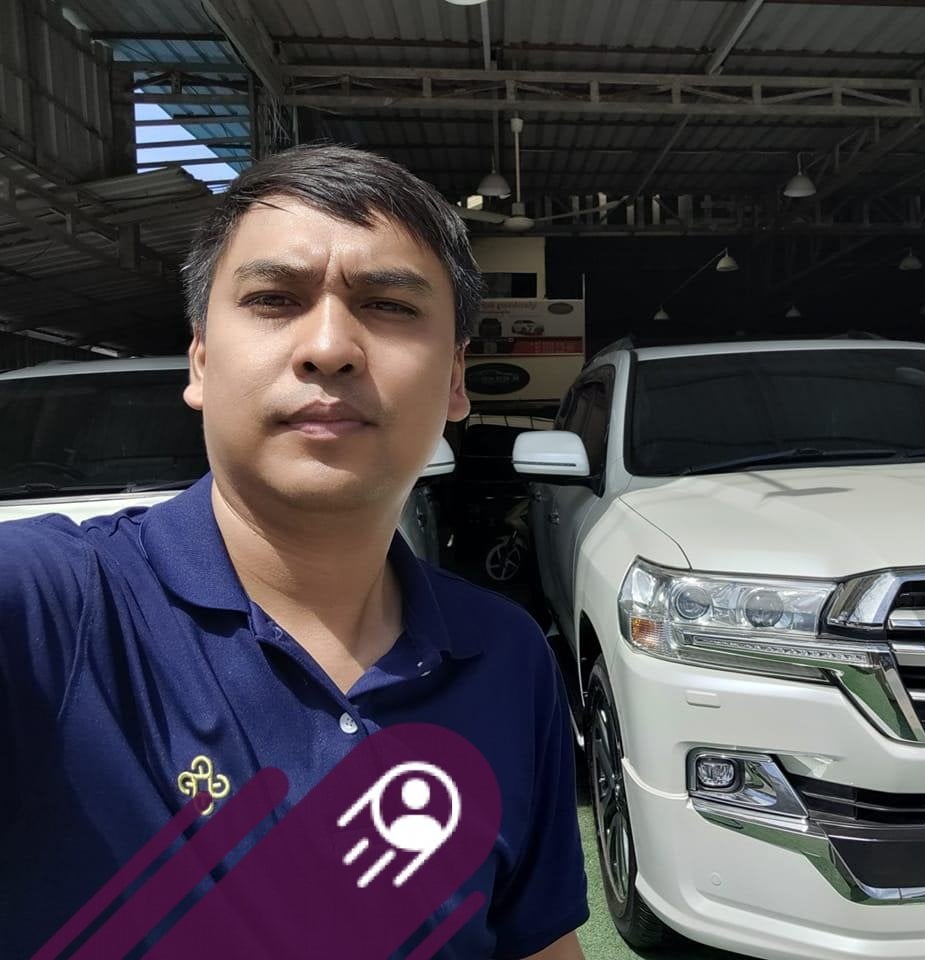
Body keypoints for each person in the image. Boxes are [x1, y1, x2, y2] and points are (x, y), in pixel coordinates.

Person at [0, 144, 588, 959]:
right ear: (201, 359)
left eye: (389, 305)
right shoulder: (53, 611)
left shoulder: (506, 658)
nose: (330, 347)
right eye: (275, 298)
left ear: (456, 380)